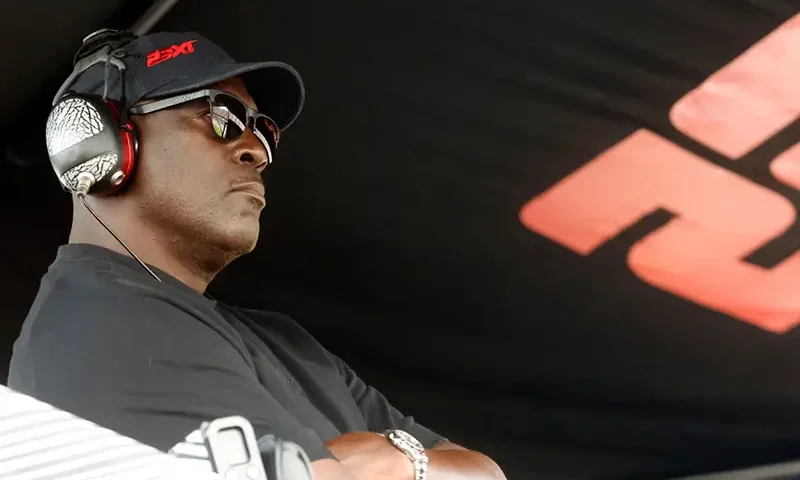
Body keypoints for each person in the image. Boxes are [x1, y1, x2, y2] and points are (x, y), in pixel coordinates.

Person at [7, 29, 506, 480]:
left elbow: (485, 474)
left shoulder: (287, 341)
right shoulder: (96, 324)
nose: (257, 151)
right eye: (222, 117)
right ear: (97, 145)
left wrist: (404, 461)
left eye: (263, 132)